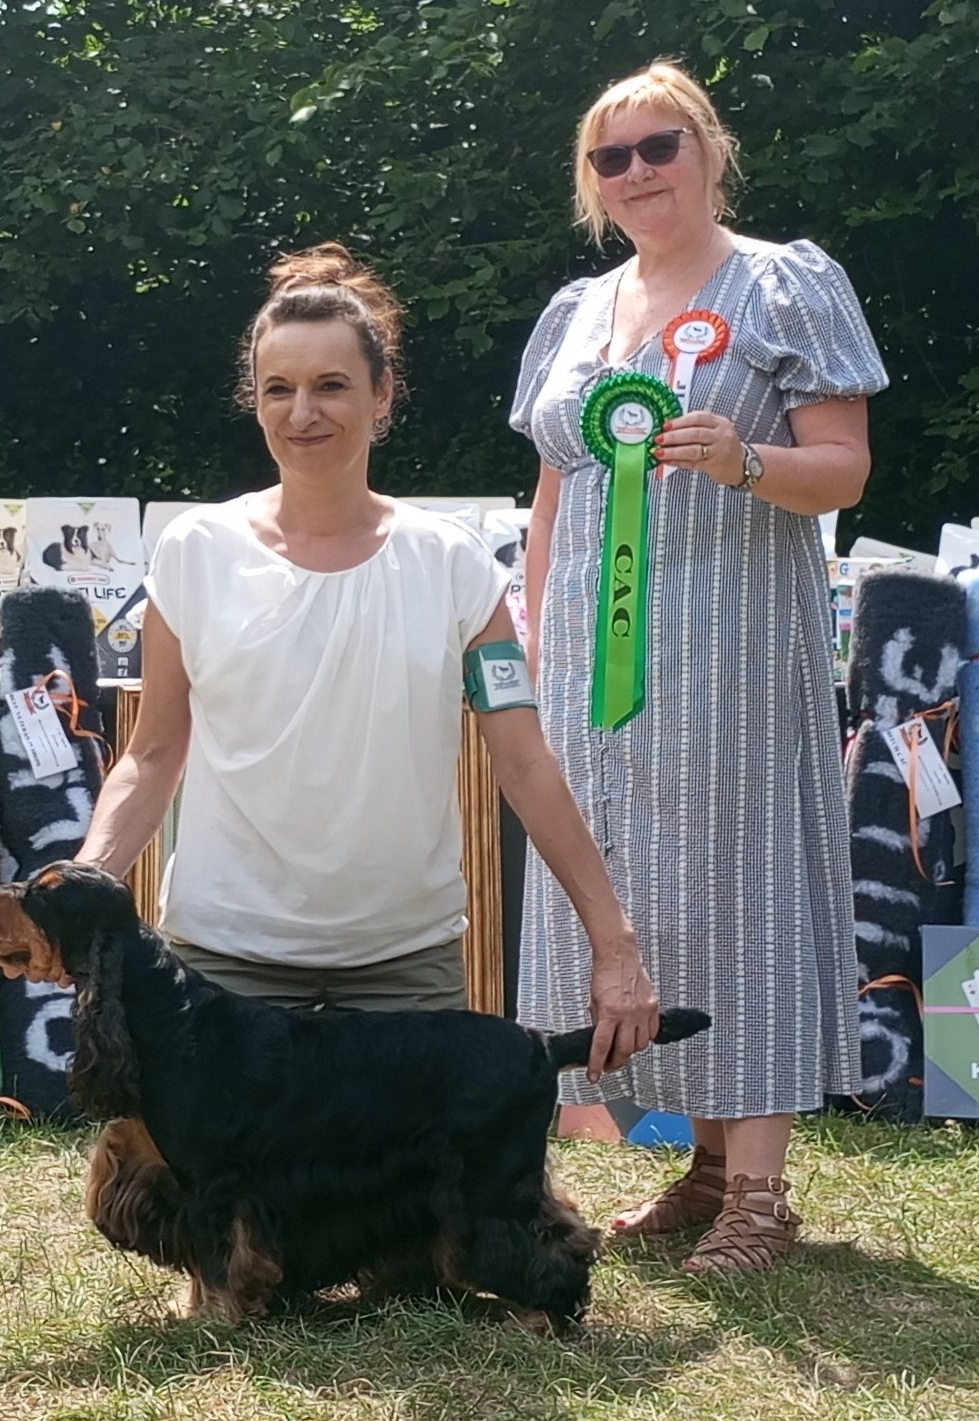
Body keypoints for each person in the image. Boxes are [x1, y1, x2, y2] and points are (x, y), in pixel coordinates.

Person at [76, 242, 657, 1079]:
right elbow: (154, 752)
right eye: (279, 388)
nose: (302, 412)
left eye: (331, 385)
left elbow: (525, 762)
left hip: (404, 967)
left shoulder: (452, 565)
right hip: (224, 964)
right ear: (254, 400)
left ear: (381, 395)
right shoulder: (193, 551)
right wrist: (87, 883)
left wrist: (615, 940)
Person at [511, 62, 887, 1273]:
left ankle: (762, 1197)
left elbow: (846, 467)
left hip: (730, 652)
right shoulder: (578, 311)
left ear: (709, 149)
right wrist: (535, 634)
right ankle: (709, 1166)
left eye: (658, 146)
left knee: (741, 884)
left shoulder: (783, 283)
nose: (636, 173)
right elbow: (555, 491)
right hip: (592, 663)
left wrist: (744, 461)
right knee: (637, 891)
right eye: (610, 158)